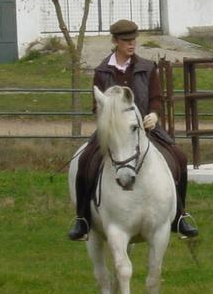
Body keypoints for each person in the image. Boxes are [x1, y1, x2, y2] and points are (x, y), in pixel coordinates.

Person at [67, 19, 198, 240]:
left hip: (146, 129)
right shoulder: (102, 71)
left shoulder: (147, 67)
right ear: (115, 41)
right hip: (114, 132)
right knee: (85, 160)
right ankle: (83, 219)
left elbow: (157, 98)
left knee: (180, 157)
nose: (132, 44)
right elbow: (96, 106)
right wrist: (108, 122)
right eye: (126, 40)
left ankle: (180, 216)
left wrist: (154, 115)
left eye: (133, 40)